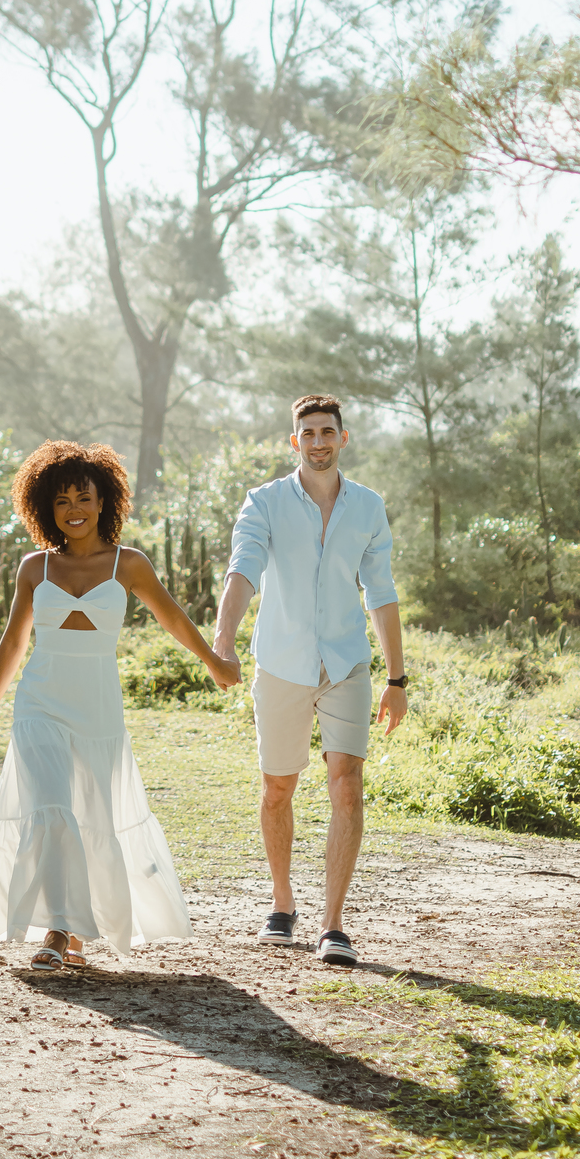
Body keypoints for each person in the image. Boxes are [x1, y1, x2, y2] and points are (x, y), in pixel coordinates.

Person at [0, 439, 241, 969]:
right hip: (40, 703)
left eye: (83, 498)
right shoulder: (34, 567)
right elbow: (14, 642)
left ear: (104, 502)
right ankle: (57, 930)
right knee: (51, 809)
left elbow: (171, 617)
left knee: (89, 815)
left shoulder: (128, 564)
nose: (73, 509)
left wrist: (212, 660)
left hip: (97, 707)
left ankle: (76, 927)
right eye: (62, 501)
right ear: (46, 508)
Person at [214, 394, 407, 968]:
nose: (318, 442)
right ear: (293, 441)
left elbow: (381, 591)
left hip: (346, 663)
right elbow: (243, 570)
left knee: (347, 784)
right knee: (278, 788)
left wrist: (397, 678)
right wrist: (223, 642)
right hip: (282, 661)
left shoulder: (368, 507)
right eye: (308, 433)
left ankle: (333, 924)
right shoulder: (265, 502)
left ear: (342, 438)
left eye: (327, 432)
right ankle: (282, 903)